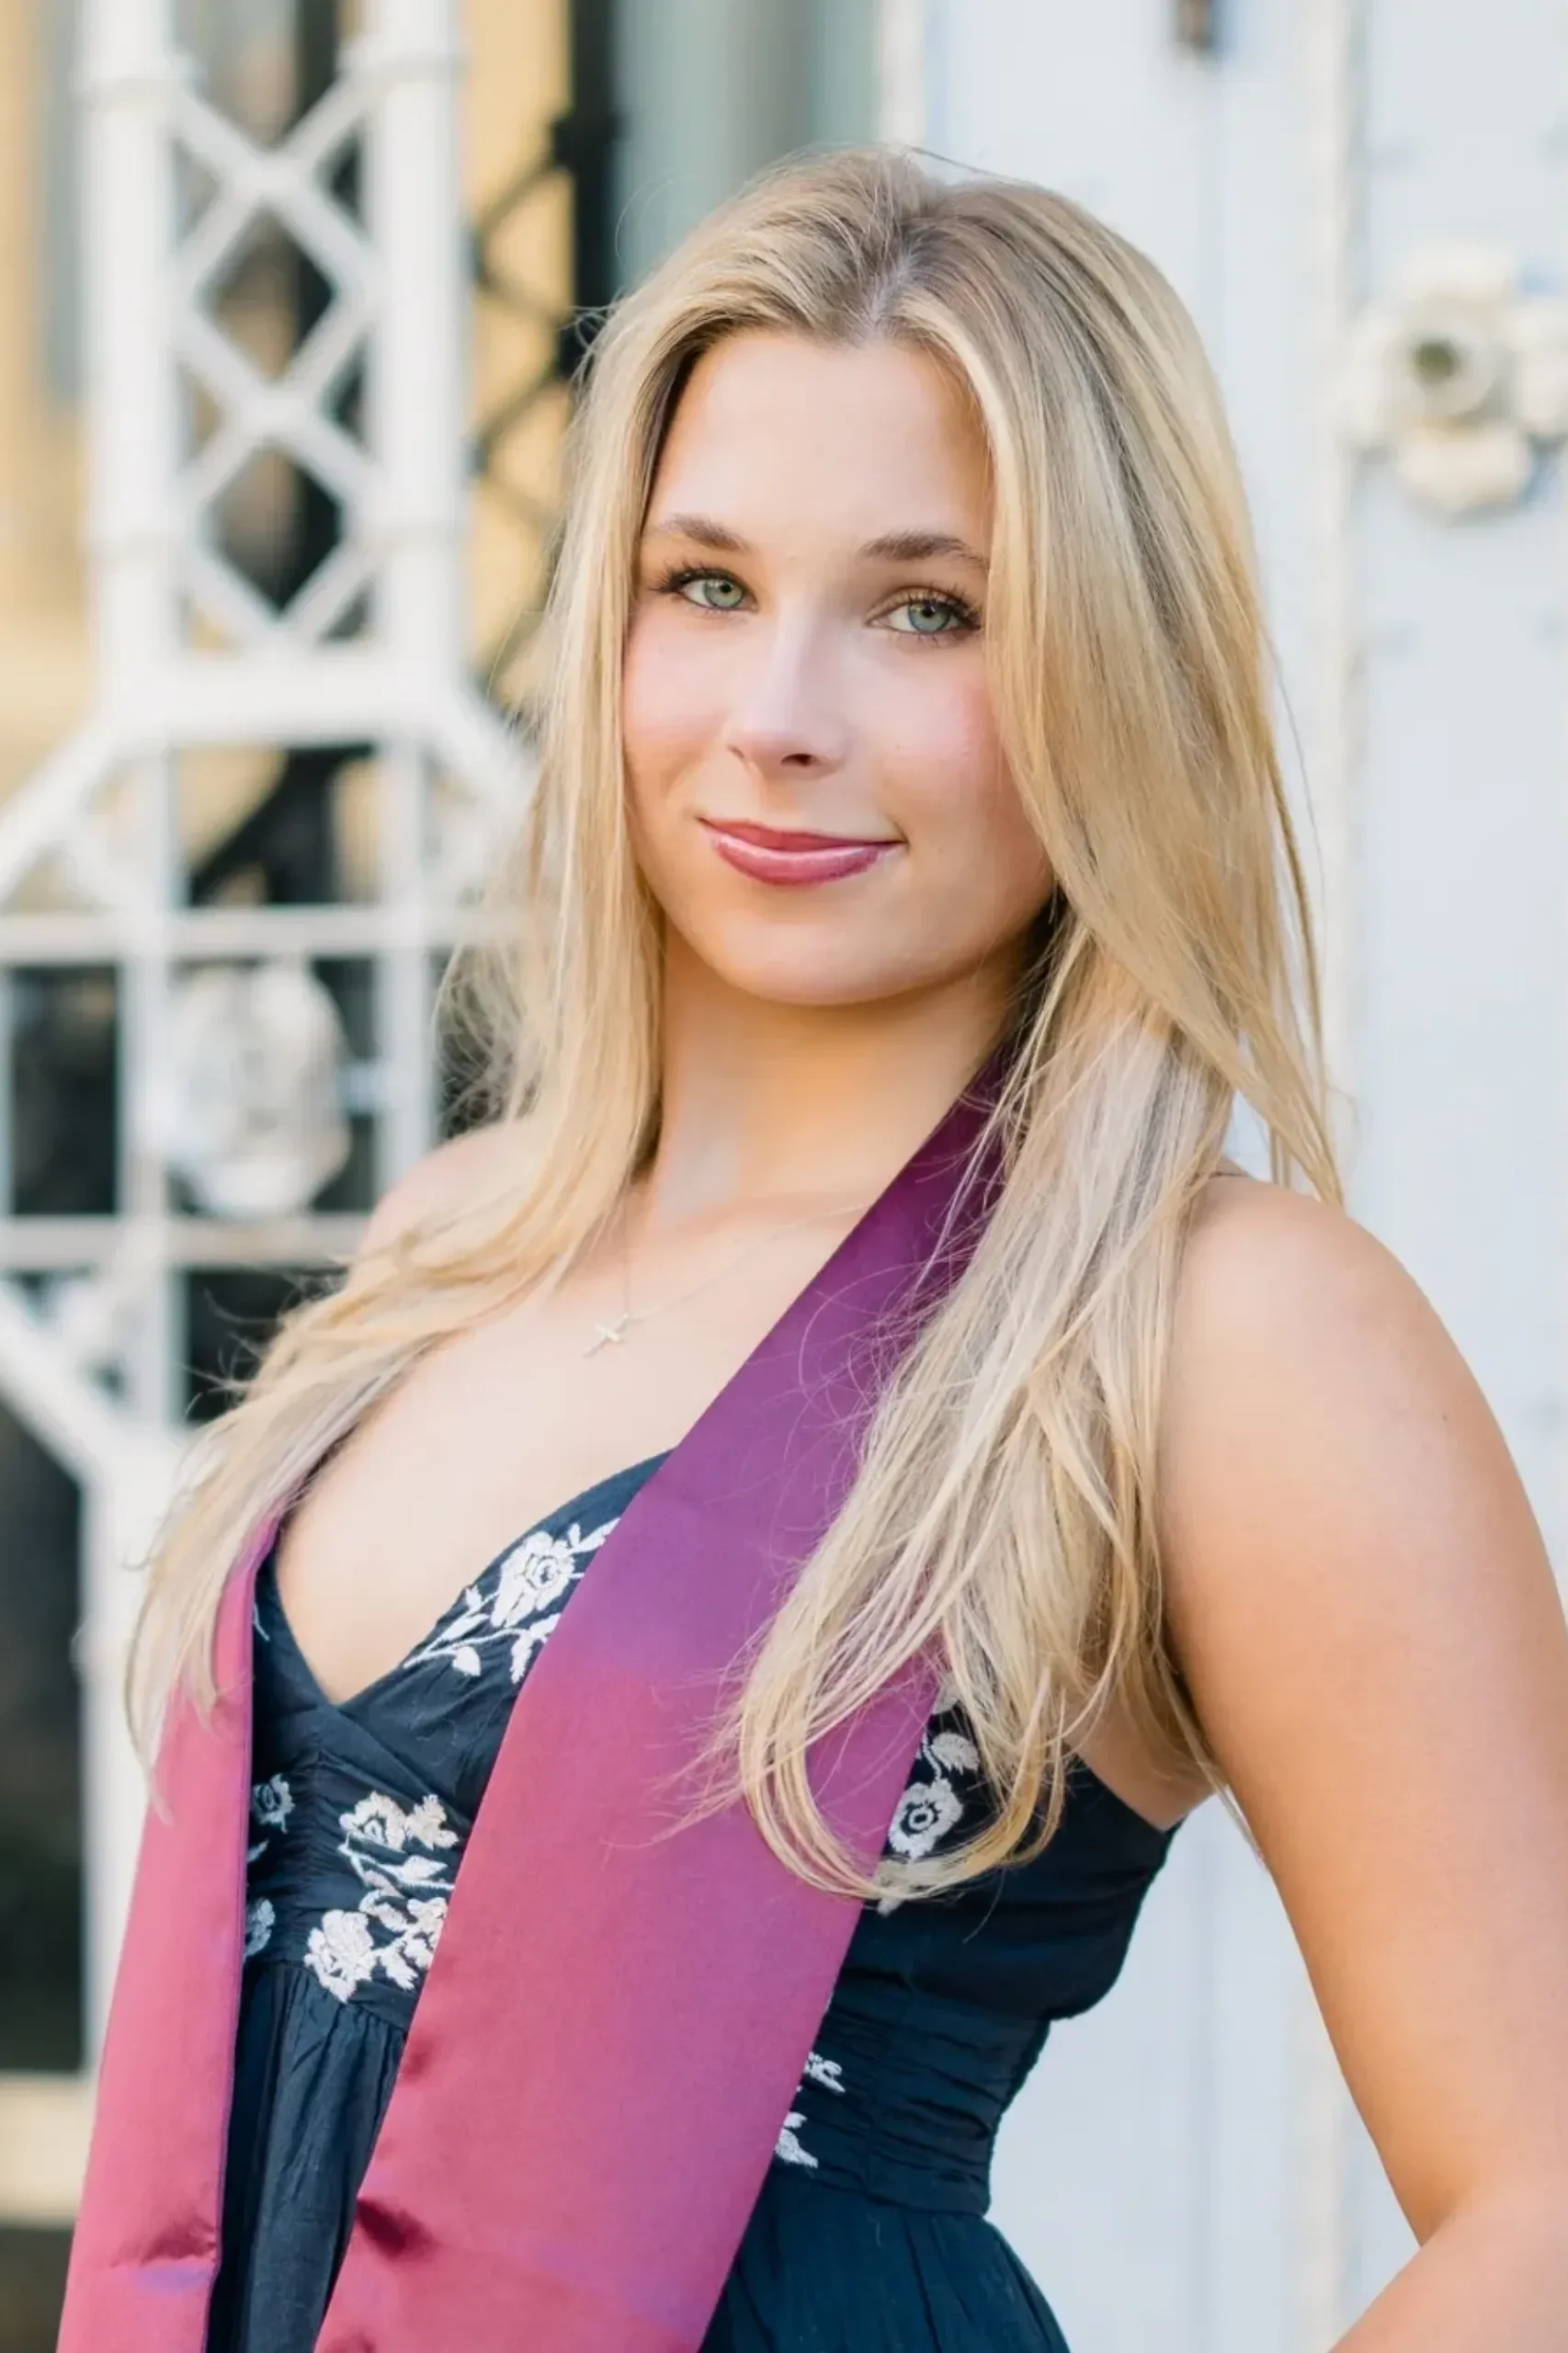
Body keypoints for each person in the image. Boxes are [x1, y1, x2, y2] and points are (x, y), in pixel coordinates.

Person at [60, 148, 1568, 2353]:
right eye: (702, 581)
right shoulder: (450, 1249)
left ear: (1106, 666)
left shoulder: (1206, 1328)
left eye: (924, 607)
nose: (778, 707)